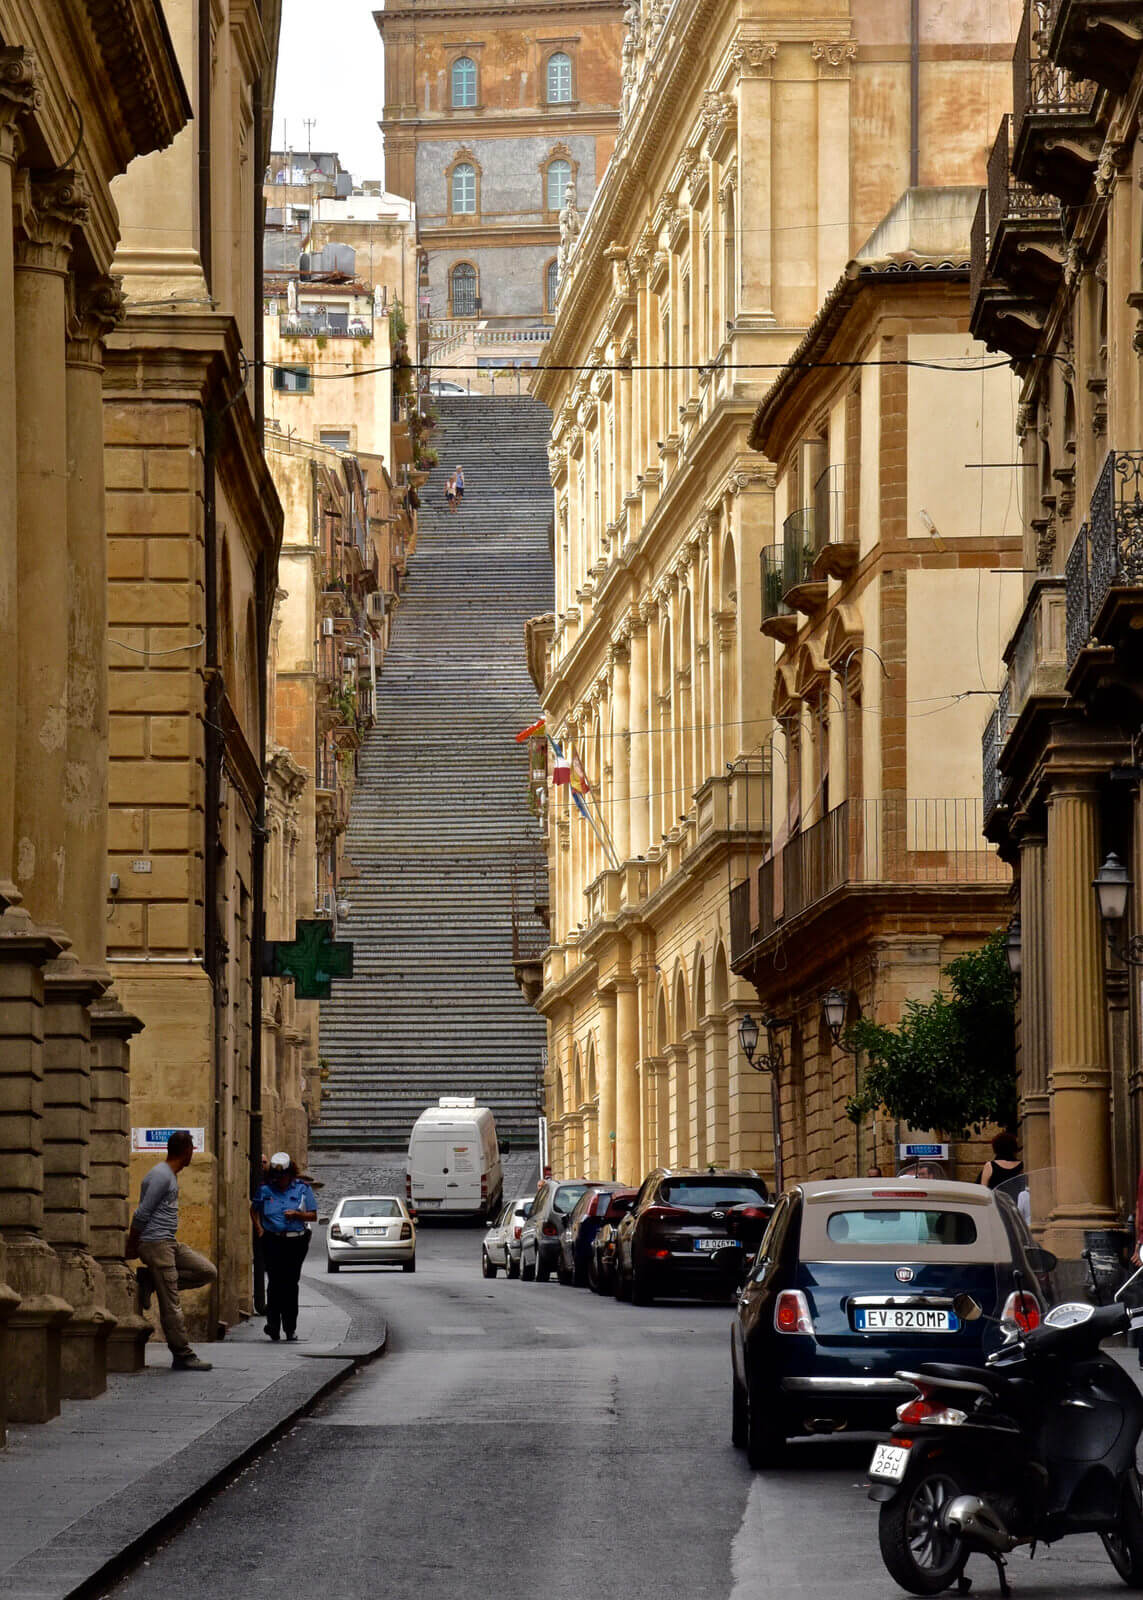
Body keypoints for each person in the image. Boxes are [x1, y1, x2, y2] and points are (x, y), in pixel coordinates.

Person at [128, 1129, 217, 1372]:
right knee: (171, 1305)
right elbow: (141, 1213)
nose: (192, 1154)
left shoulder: (169, 1175)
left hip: (169, 1242)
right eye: (191, 1149)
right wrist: (132, 1245)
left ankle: (152, 1281)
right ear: (186, 1151)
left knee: (207, 1271)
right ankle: (183, 1355)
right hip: (157, 1244)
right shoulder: (161, 1176)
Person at [251, 1153, 318, 1342]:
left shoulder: (302, 1189)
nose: (278, 1180)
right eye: (275, 1177)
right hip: (272, 1240)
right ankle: (273, 1325)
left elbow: (313, 1215)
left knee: (290, 1284)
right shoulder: (265, 1190)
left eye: (282, 1177)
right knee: (274, 1283)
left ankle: (290, 1328)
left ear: (290, 1174)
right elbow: (254, 1209)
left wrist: (297, 1215)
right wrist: (259, 1229)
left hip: (296, 1241)